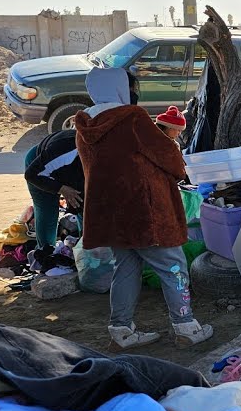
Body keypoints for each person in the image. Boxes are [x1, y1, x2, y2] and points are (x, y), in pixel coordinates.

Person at [73, 68, 214, 349]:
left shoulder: (84, 127)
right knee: (174, 267)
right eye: (132, 86)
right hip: (146, 213)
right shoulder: (133, 119)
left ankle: (121, 330)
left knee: (125, 269)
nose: (135, 92)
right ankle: (186, 326)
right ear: (121, 89)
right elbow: (169, 157)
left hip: (110, 215)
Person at [22, 129, 84, 271]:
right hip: (39, 169)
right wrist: (61, 188)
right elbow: (31, 174)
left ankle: (82, 250)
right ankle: (45, 254)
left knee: (81, 204)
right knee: (47, 210)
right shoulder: (68, 148)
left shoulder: (99, 155)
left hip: (68, 173)